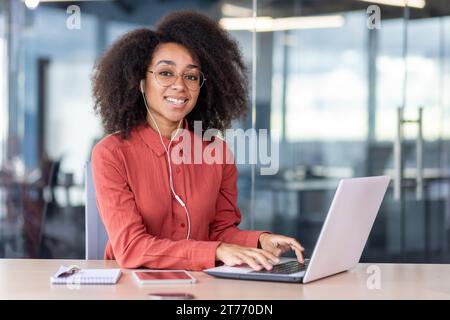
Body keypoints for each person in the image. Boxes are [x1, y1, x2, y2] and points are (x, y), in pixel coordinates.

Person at [91, 11, 304, 271]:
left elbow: (221, 231)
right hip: (133, 289)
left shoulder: (217, 152)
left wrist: (260, 240)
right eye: (166, 73)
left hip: (202, 289)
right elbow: (130, 247)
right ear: (141, 83)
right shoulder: (112, 153)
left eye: (191, 76)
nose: (180, 85)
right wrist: (217, 251)